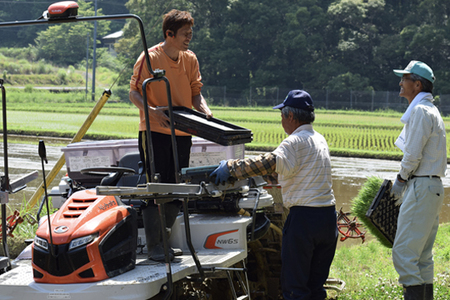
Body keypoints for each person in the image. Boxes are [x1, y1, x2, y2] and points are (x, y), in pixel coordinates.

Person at [211, 90, 338, 300]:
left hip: (305, 221)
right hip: (327, 219)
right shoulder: (318, 139)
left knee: (295, 288)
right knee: (315, 287)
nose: (281, 121)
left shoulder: (293, 142)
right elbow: (295, 171)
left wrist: (231, 167)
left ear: (290, 116)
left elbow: (268, 162)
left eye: (281, 116)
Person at [129, 9, 213, 262]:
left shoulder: (190, 59)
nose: (189, 38)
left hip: (182, 132)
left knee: (177, 185)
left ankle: (163, 240)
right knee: (156, 185)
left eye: (190, 34)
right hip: (155, 130)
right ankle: (155, 245)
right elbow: (134, 93)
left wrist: (205, 109)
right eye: (185, 34)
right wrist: (152, 111)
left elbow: (195, 92)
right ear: (169, 34)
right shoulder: (150, 57)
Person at [390, 60, 446, 300]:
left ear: (417, 84)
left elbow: (413, 153)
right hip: (431, 186)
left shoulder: (421, 112)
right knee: (422, 256)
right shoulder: (429, 110)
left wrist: (400, 180)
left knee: (403, 252)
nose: (400, 82)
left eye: (404, 78)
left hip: (421, 185)